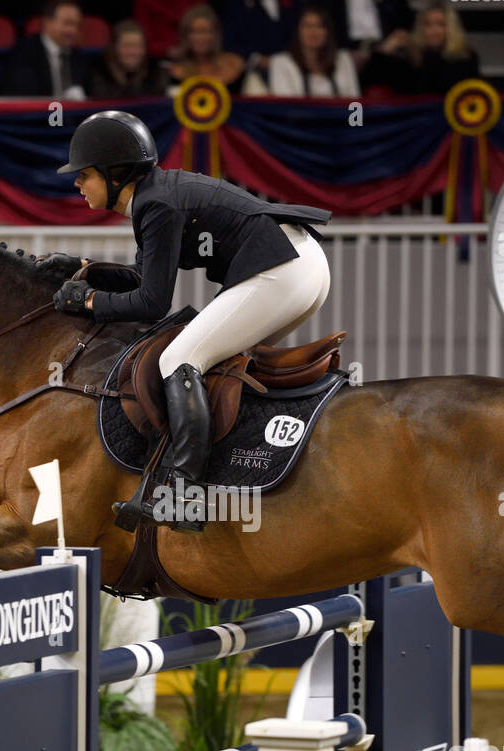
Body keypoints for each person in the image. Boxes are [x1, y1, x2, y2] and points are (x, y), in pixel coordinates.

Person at [49, 111, 332, 532]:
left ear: (116, 173)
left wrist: (89, 302)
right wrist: (87, 269)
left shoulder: (155, 204)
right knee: (208, 362)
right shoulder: (153, 196)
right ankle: (234, 469)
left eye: (84, 174)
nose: (76, 183)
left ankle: (183, 495)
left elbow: (150, 303)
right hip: (296, 265)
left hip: (283, 270)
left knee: (179, 358)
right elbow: (145, 278)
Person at [362, 0, 478, 94]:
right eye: (428, 24)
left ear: (451, 28)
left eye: (441, 24)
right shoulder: (409, 59)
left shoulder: (465, 58)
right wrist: (385, 49)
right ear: (420, 28)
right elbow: (369, 80)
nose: (434, 30)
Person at [0, 0, 90, 98]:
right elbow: (22, 92)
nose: (73, 30)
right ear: (47, 22)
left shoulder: (79, 56)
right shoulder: (24, 51)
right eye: (67, 23)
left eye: (77, 25)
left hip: (73, 112)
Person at [267, 6, 361, 96]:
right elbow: (284, 106)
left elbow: (355, 101)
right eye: (307, 26)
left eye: (319, 26)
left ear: (328, 31)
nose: (313, 31)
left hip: (341, 113)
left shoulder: (343, 59)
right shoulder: (281, 62)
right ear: (297, 30)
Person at [166, 5, 247, 94]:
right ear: (185, 36)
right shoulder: (176, 71)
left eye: (205, 31)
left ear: (216, 34)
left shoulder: (234, 65)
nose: (200, 38)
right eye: (194, 32)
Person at [88, 20, 170, 97]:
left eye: (138, 46)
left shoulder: (155, 70)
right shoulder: (98, 69)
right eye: (127, 45)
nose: (132, 52)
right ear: (113, 48)